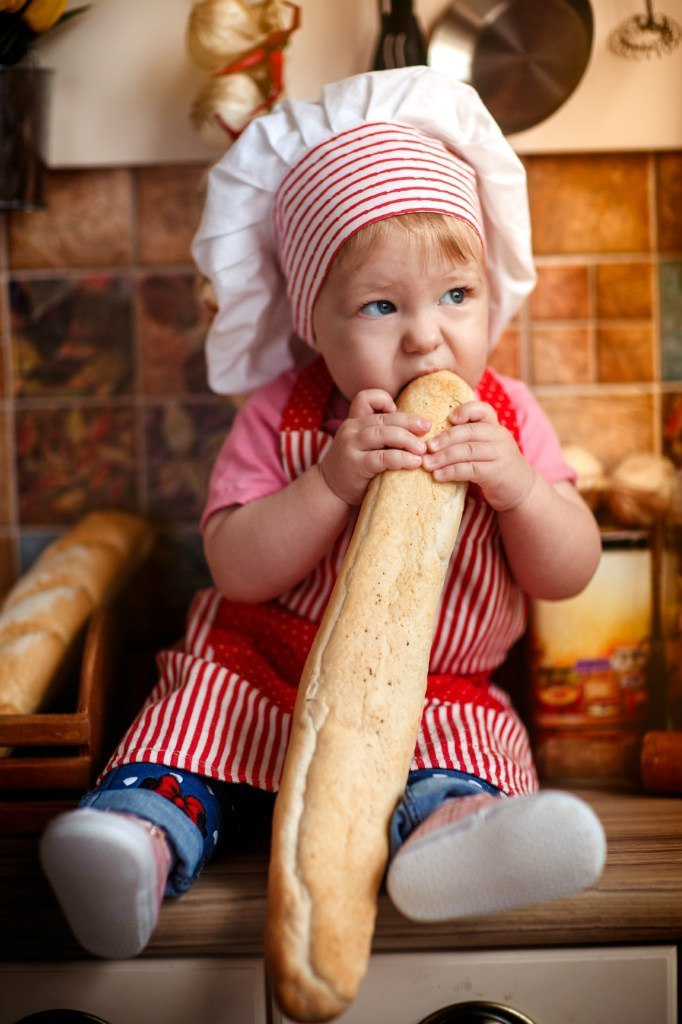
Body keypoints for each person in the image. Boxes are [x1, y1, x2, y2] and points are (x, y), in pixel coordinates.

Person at [40, 65, 606, 959]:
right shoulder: (282, 413)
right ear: (315, 325)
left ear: (491, 294)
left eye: (456, 297)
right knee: (186, 740)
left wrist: (522, 490)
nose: (425, 336)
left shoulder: (509, 417)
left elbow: (566, 570)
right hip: (261, 678)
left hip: (430, 697)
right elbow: (237, 567)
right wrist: (329, 485)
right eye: (381, 306)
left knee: (466, 754)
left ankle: (446, 842)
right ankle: (135, 846)